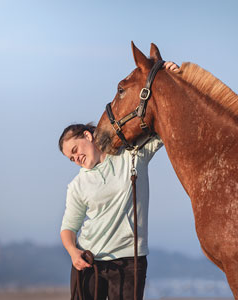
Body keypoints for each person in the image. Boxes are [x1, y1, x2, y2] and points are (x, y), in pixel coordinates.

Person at [59, 62, 179, 300]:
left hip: (130, 262)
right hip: (89, 262)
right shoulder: (77, 185)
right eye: (70, 158)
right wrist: (74, 252)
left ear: (87, 135)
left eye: (75, 149)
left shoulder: (132, 154)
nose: (76, 158)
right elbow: (68, 228)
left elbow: (165, 121)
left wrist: (170, 75)